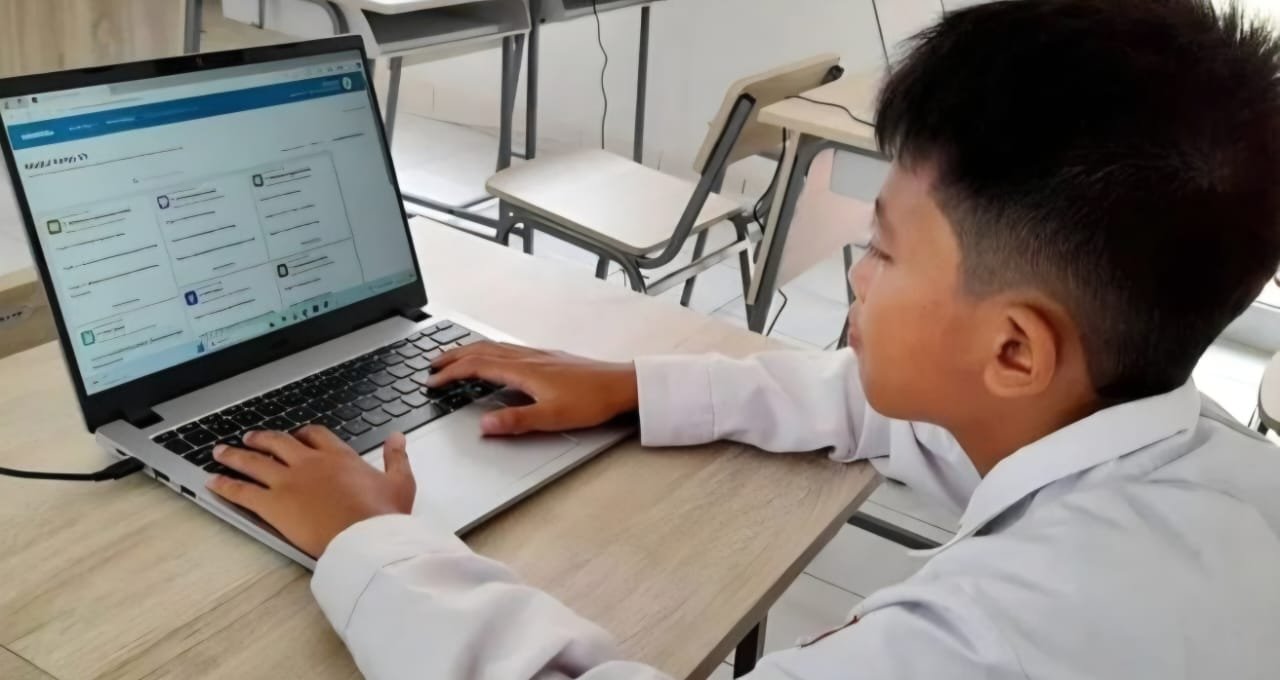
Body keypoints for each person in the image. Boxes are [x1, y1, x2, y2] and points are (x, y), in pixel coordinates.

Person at [205, 0, 1280, 677]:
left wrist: (369, 544)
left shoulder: (995, 642)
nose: (855, 273)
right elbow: (883, 406)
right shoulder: (1188, 460)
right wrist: (633, 384)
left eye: (883, 248)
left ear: (1013, 351)